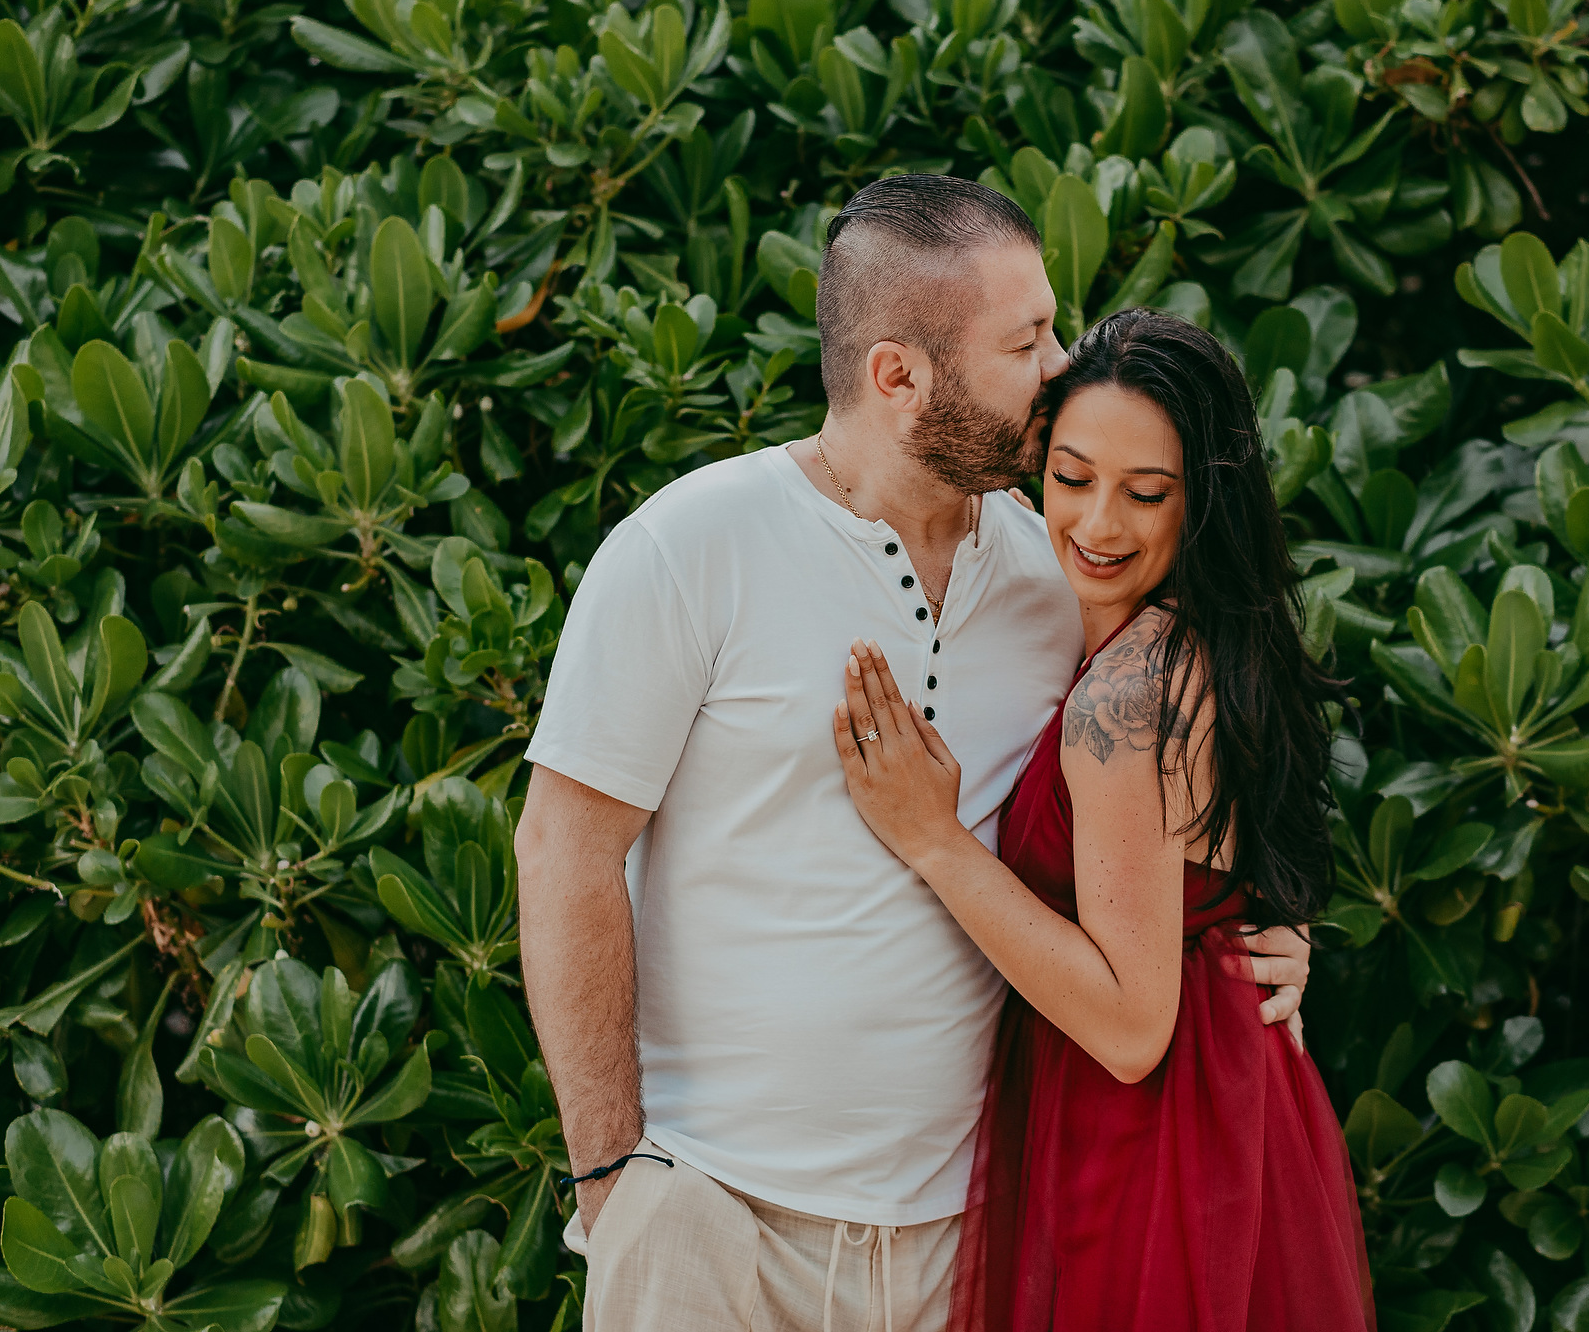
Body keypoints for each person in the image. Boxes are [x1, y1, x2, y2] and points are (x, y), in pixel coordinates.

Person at [513, 175, 1315, 1332]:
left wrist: (1258, 929)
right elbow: (563, 850)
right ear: (900, 375)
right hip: (711, 1217)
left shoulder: (1063, 577)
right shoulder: (691, 546)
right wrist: (611, 1180)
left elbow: (1174, 788)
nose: (1060, 367)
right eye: (1026, 340)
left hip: (967, 1242)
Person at [831, 308, 1375, 1332]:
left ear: (1203, 500)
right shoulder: (1192, 637)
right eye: (1073, 478)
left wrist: (934, 840)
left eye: (1147, 493)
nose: (1099, 526)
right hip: (1221, 1113)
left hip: (1155, 1139)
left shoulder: (1128, 692)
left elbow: (1130, 1026)